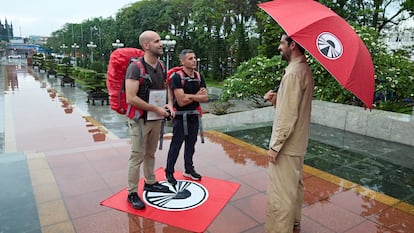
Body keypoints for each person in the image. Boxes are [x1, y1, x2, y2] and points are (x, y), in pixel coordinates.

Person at [263, 33, 314, 233]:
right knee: (294, 189)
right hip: (297, 144)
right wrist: (277, 98)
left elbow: (287, 116)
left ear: (292, 45)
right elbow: (293, 107)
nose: (279, 47)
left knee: (280, 194)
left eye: (282, 43)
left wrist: (275, 146)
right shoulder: (303, 70)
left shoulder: (294, 73)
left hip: (287, 146)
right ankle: (293, 225)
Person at [125, 30, 174, 210]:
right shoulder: (135, 68)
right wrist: (156, 108)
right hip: (140, 120)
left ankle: (150, 182)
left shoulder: (161, 66)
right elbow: (131, 97)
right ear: (146, 45)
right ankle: (131, 193)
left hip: (156, 117)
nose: (161, 44)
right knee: (137, 156)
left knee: (150, 153)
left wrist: (169, 105)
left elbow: (165, 87)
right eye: (157, 41)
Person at [165, 49, 208, 185]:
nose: (194, 60)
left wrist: (189, 96)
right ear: (182, 61)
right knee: (176, 146)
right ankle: (169, 172)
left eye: (194, 58)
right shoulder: (176, 77)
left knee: (191, 145)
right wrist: (196, 96)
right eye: (190, 58)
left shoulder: (199, 76)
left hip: (194, 116)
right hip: (180, 117)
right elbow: (181, 101)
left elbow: (205, 98)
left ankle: (189, 169)